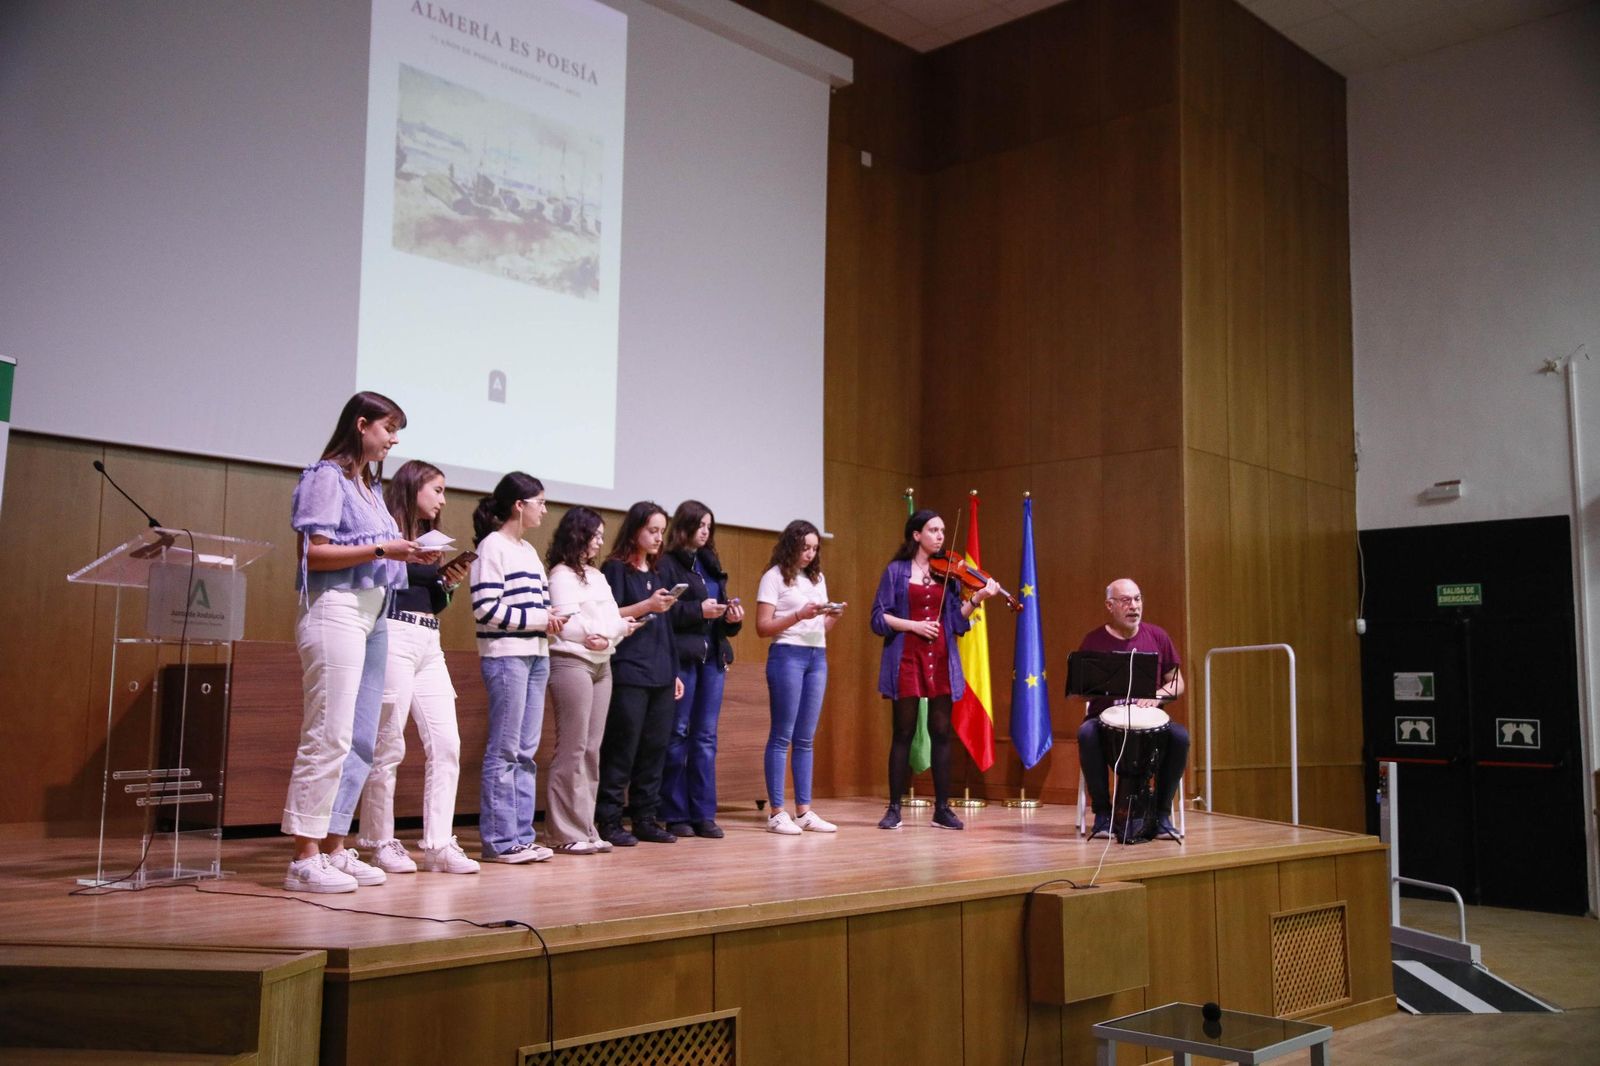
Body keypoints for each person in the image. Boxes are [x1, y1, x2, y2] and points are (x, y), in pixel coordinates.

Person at [282, 391, 432, 894]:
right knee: (329, 732)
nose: (394, 440)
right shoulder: (326, 476)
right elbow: (313, 553)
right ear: (362, 424)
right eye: (389, 429)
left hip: (376, 611)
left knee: (362, 739)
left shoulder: (368, 486)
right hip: (336, 608)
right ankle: (303, 856)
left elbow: (377, 551)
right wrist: (383, 548)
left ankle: (333, 847)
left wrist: (408, 555)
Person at [349, 460, 478, 875]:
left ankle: (439, 843)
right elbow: (378, 576)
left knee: (447, 743)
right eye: (437, 490)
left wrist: (446, 582)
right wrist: (417, 563)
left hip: (428, 640)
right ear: (413, 486)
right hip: (393, 633)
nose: (443, 500)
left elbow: (432, 601)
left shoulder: (426, 541)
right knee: (388, 743)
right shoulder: (386, 531)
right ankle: (380, 841)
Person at [869, 508, 999, 832]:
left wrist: (979, 597)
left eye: (942, 530)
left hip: (940, 658)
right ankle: (894, 808)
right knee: (903, 732)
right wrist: (913, 625)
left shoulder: (948, 574)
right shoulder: (896, 571)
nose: (940, 536)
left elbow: (954, 620)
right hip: (906, 658)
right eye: (933, 530)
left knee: (941, 733)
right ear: (916, 535)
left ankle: (942, 809)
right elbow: (879, 617)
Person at [470, 472, 566, 863]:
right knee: (505, 749)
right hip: (506, 655)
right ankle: (499, 840)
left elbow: (536, 608)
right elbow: (485, 608)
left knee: (526, 751)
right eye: (540, 502)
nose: (544, 509)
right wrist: (540, 619)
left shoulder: (527, 550)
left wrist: (552, 618)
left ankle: (522, 836)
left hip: (537, 654)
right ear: (519, 505)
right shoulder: (492, 546)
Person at [544, 506, 638, 855]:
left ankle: (585, 827)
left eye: (601, 535)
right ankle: (562, 832)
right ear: (577, 535)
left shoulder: (596, 575)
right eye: (595, 535)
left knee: (592, 750)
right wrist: (603, 632)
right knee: (572, 747)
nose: (599, 541)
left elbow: (614, 618)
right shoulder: (560, 574)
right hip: (572, 662)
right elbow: (566, 623)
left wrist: (610, 633)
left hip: (602, 663)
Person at [596, 501, 686, 846]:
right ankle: (609, 818)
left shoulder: (659, 572)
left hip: (661, 670)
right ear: (634, 531)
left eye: (662, 531)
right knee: (623, 746)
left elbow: (667, 628)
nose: (658, 537)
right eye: (652, 530)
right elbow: (609, 614)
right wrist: (647, 605)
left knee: (655, 748)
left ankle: (645, 818)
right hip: (630, 669)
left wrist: (674, 671)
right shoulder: (615, 569)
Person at [657, 501, 745, 839]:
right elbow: (662, 613)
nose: (706, 531)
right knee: (678, 733)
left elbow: (717, 617)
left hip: (713, 659)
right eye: (700, 525)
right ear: (684, 526)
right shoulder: (667, 563)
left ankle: (704, 813)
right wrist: (698, 610)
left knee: (706, 737)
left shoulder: (710, 563)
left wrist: (730, 618)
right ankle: (675, 812)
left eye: (710, 526)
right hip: (683, 658)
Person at [1076, 578, 1188, 841]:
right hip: (1105, 724)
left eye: (1137, 599)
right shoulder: (1093, 640)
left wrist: (1158, 696)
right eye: (1126, 600)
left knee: (1180, 737)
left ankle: (1161, 815)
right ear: (1110, 605)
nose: (1134, 606)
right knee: (1086, 733)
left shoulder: (1158, 636)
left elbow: (1177, 682)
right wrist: (1097, 686)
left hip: (1150, 725)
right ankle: (1103, 814)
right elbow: (1081, 692)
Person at [755, 519, 841, 835]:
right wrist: (797, 615)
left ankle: (803, 811)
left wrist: (832, 618)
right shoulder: (773, 577)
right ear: (791, 545)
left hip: (816, 656)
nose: (809, 554)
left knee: (805, 737)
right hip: (787, 655)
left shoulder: (817, 578)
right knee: (782, 735)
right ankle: (777, 812)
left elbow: (818, 628)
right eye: (805, 547)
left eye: (815, 549)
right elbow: (763, 627)